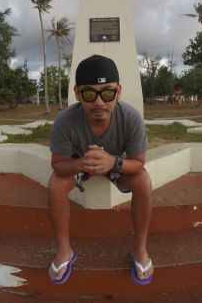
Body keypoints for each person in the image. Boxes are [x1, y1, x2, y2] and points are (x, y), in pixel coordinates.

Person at [47, 54, 153, 285]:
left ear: (118, 91)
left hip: (116, 163)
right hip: (82, 163)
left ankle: (140, 249)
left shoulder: (131, 118)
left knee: (143, 182)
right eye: (89, 94)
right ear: (77, 93)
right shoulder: (65, 121)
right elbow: (58, 165)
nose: (99, 103)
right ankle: (64, 250)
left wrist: (112, 162)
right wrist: (81, 164)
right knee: (55, 185)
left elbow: (138, 163)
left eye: (107, 93)